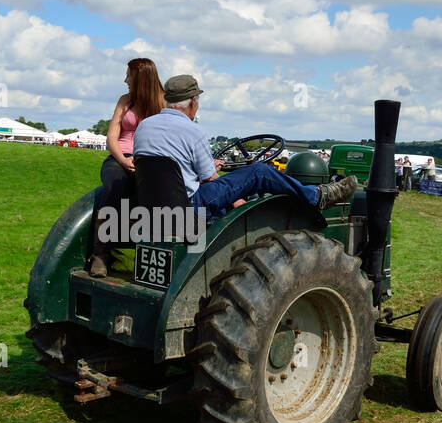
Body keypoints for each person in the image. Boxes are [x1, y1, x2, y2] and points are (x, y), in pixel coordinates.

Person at [133, 74, 357, 222]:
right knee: (259, 171)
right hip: (190, 207)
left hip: (153, 208)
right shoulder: (194, 132)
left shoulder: (144, 127)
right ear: (193, 101)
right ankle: (316, 196)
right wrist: (235, 197)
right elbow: (211, 179)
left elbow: (167, 168)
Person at [89, 57, 165, 276]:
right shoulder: (125, 100)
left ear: (141, 78)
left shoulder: (162, 103)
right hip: (119, 158)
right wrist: (123, 160)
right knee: (115, 185)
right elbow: (112, 137)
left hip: (148, 160)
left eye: (128, 75)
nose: (125, 80)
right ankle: (100, 255)